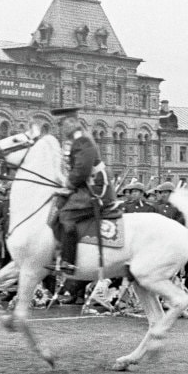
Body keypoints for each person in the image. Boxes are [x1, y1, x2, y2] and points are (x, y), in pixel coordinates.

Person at [52, 107, 116, 273]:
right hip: (86, 186)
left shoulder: (82, 141)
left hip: (95, 189)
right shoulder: (76, 140)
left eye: (64, 124)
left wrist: (68, 186)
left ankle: (69, 261)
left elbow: (82, 169)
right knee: (58, 205)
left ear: (73, 122)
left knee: (67, 215)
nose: (62, 128)